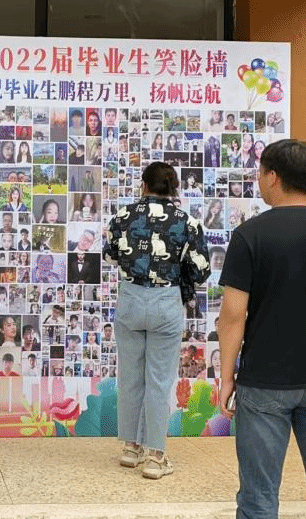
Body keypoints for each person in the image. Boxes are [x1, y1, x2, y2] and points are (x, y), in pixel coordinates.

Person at [216, 140, 306, 518]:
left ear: (273, 177)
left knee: (258, 499)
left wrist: (226, 377)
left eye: (261, 172)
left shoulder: (250, 235)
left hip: (265, 380)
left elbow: (233, 315)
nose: (259, 179)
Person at [103, 161, 210, 480]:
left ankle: (130, 448)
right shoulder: (187, 222)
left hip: (131, 299)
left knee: (130, 376)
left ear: (144, 185)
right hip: (166, 301)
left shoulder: (123, 216)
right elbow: (201, 269)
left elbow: (109, 254)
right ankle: (155, 456)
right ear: (174, 187)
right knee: (159, 381)